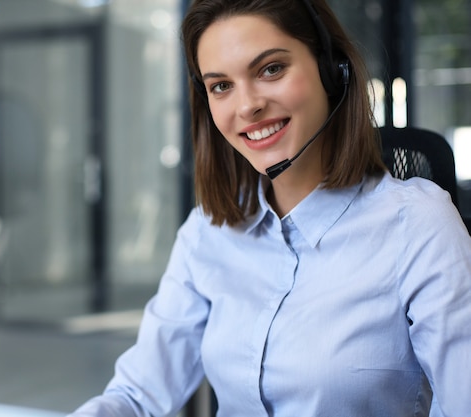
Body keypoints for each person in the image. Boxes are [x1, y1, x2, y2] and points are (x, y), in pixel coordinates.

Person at [68, 0, 471, 416]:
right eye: (221, 85)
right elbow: (136, 395)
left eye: (271, 69)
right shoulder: (208, 231)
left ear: (332, 70)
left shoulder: (418, 226)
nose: (247, 106)